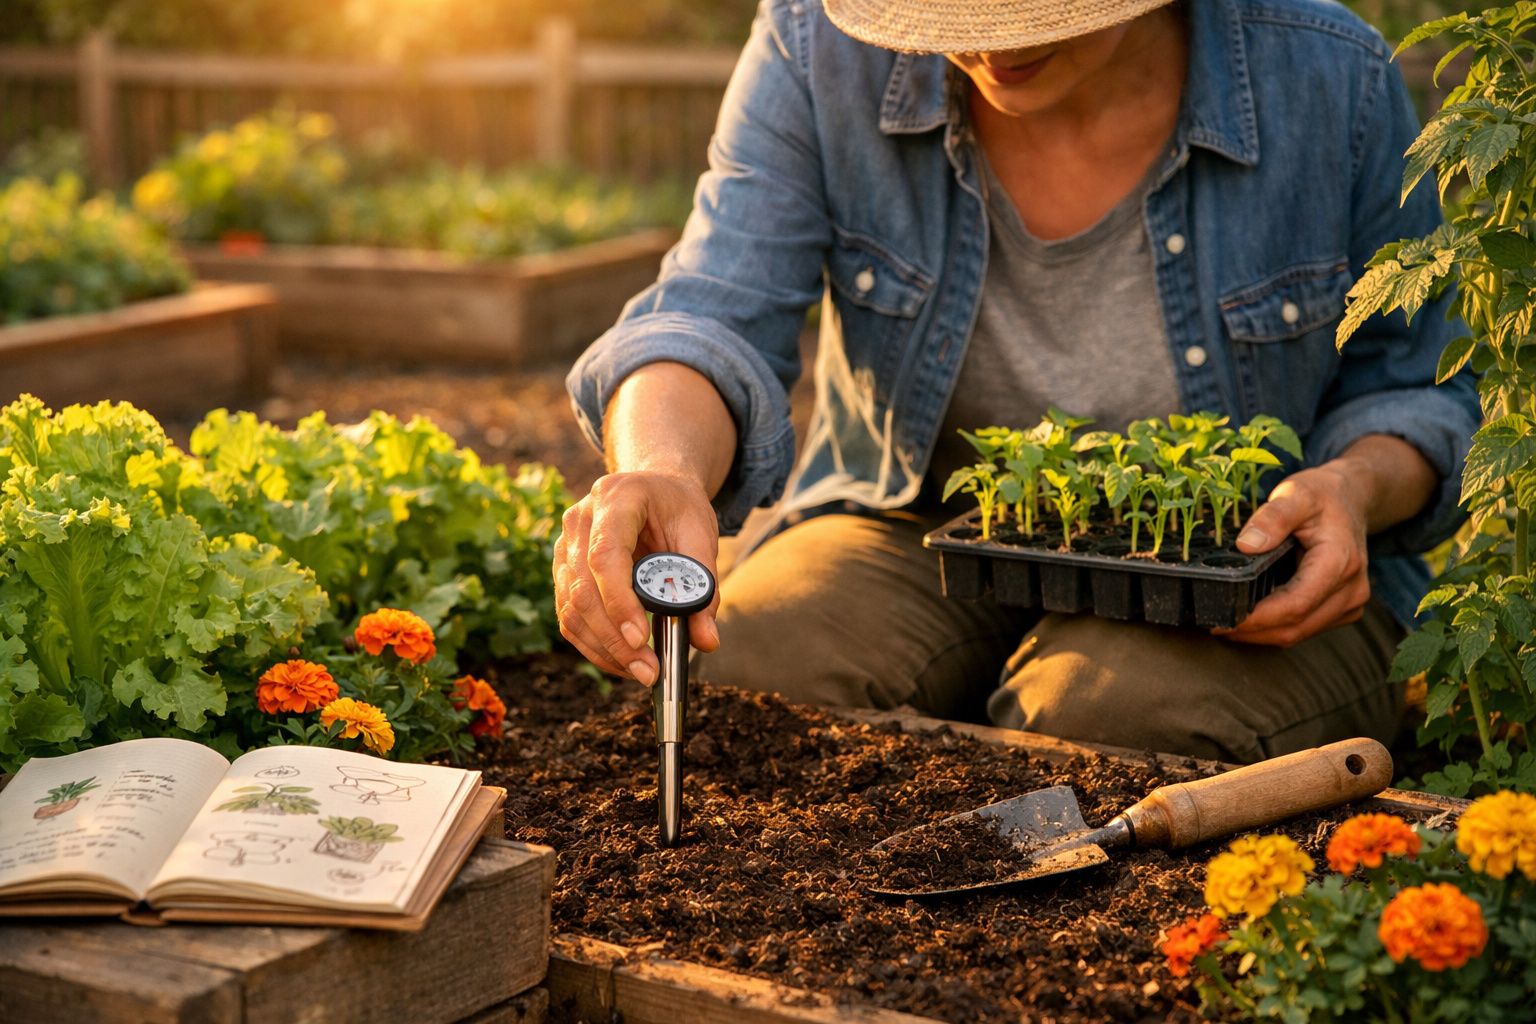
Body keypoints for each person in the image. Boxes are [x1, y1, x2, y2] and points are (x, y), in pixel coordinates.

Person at [556, 0, 1479, 763]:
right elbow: (714, 307)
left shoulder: (1330, 77)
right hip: (917, 525)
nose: (994, 40)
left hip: (1234, 570)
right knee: (751, 666)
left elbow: (1416, 389)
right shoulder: (819, 48)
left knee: (1113, 724)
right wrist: (665, 471)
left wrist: (1351, 487)